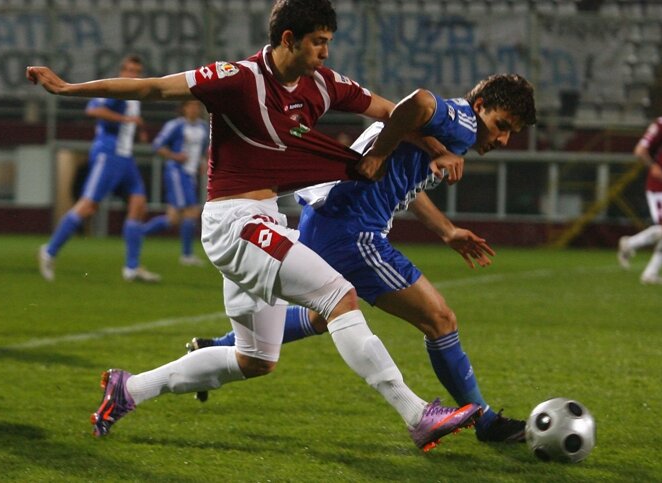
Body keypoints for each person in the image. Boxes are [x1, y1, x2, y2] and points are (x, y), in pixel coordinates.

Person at [27, 0, 480, 452]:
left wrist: (438, 148)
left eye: (328, 42)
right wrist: (68, 89)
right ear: (289, 39)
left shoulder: (324, 84)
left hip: (263, 221)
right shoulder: (237, 78)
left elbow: (391, 113)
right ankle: (417, 414)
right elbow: (155, 88)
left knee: (256, 359)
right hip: (234, 223)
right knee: (338, 296)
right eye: (318, 42)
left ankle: (128, 389)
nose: (325, 52)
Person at [188, 74, 538, 443]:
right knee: (440, 319)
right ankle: (485, 423)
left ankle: (215, 348)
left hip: (327, 218)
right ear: (480, 106)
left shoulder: (446, 134)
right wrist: (382, 154)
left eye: (511, 133)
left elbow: (406, 182)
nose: (502, 139)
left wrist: (447, 230)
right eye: (501, 125)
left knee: (322, 315)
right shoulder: (462, 121)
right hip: (352, 231)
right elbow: (418, 101)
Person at [37, 54, 161, 283]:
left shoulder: (134, 96)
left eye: (137, 71)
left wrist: (138, 129)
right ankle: (49, 251)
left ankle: (132, 268)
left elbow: (129, 121)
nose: (133, 75)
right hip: (108, 154)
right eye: (130, 70)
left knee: (138, 204)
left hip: (125, 157)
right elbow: (93, 110)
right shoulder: (116, 89)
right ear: (122, 71)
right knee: (88, 206)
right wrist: (125, 120)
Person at [618, 87, 662, 285]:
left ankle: (650, 274)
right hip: (660, 187)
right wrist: (653, 166)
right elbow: (640, 150)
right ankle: (629, 243)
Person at [142, 100, 210, 266]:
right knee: (191, 211)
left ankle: (137, 232)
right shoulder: (175, 125)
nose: (194, 109)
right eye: (191, 105)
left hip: (190, 174)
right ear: (184, 108)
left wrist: (204, 162)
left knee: (172, 219)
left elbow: (204, 150)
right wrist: (174, 156)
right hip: (177, 173)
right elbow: (157, 145)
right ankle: (186, 255)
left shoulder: (203, 127)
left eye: (197, 106)